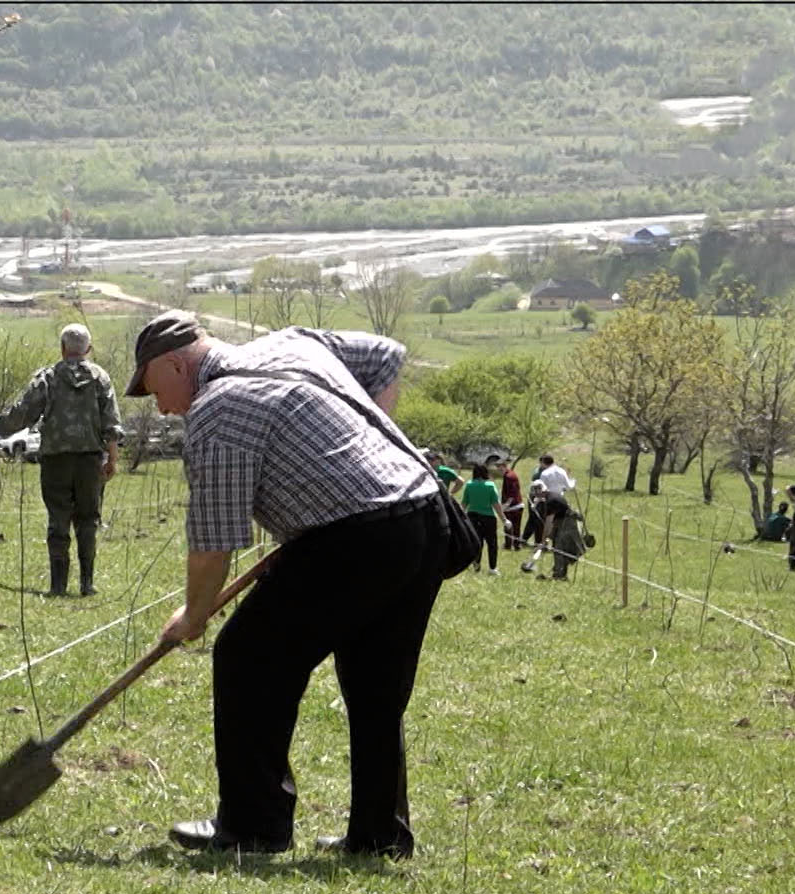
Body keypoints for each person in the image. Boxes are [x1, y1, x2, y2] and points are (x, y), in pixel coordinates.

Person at [128, 311, 445, 860]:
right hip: (423, 514)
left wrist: (194, 615)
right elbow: (386, 355)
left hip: (355, 536)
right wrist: (365, 457)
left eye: (157, 391)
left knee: (247, 657)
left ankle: (254, 828)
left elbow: (214, 542)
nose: (162, 409)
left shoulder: (218, 411)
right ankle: (378, 837)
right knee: (375, 682)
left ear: (176, 365)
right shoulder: (291, 343)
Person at [0, 323, 124, 596]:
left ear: (62, 349)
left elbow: (23, 413)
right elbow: (111, 423)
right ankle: (87, 584)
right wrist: (112, 459)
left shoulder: (47, 378)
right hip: (89, 461)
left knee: (58, 518)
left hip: (55, 461)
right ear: (88, 349)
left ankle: (58, 585)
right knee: (88, 519)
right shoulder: (101, 378)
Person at [461, 463, 501, 574]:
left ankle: (476, 565)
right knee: (492, 544)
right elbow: (496, 504)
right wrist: (504, 519)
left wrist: (459, 516)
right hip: (488, 518)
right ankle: (492, 568)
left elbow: (464, 503)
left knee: (477, 542)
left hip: (472, 517)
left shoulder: (469, 485)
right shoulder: (490, 485)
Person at [487, 454, 525, 551]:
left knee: (511, 527)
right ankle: (514, 545)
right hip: (514, 505)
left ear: (504, 466)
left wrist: (505, 506)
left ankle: (511, 545)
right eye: (497, 466)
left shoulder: (509, 476)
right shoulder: (508, 475)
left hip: (514, 506)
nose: (498, 468)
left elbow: (512, 493)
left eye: (500, 466)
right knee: (513, 527)